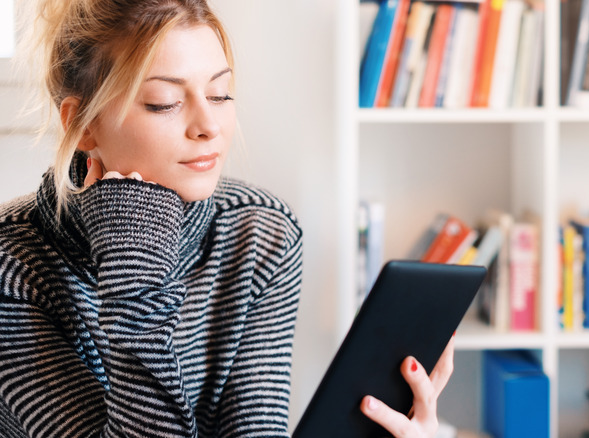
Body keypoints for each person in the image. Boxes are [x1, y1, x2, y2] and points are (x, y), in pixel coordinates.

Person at [0, 1, 455, 437]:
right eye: (163, 102)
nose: (209, 126)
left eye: (220, 94)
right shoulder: (11, 267)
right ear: (82, 125)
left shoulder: (261, 232)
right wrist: (133, 260)